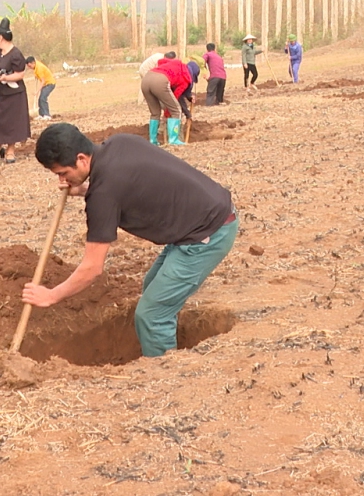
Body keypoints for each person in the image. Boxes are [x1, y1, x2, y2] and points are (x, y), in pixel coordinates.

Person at [28, 123, 238, 358]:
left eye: (63, 173)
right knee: (152, 289)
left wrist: (51, 295)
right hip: (202, 217)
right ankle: (167, 346)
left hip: (207, 233)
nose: (62, 179)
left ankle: (165, 374)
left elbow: (92, 268)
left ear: (81, 159)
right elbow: (128, 187)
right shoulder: (119, 143)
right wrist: (84, 189)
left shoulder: (103, 195)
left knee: (151, 315)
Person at [0, 19, 31, 163]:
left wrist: (6, 77)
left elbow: (20, 74)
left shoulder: (16, 54)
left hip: (14, 94)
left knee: (12, 121)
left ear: (0, 37)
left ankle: (10, 150)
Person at [143, 53, 191, 146]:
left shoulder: (173, 64)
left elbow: (161, 61)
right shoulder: (186, 78)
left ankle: (153, 141)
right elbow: (176, 97)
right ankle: (173, 140)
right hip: (160, 81)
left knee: (155, 113)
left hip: (146, 79)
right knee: (176, 110)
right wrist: (167, 113)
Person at [26, 55, 57, 121]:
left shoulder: (39, 68)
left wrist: (37, 91)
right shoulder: (36, 67)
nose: (29, 67)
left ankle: (47, 115)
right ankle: (41, 114)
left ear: (33, 63)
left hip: (50, 84)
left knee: (43, 98)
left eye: (29, 66)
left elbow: (43, 81)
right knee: (40, 99)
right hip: (46, 84)